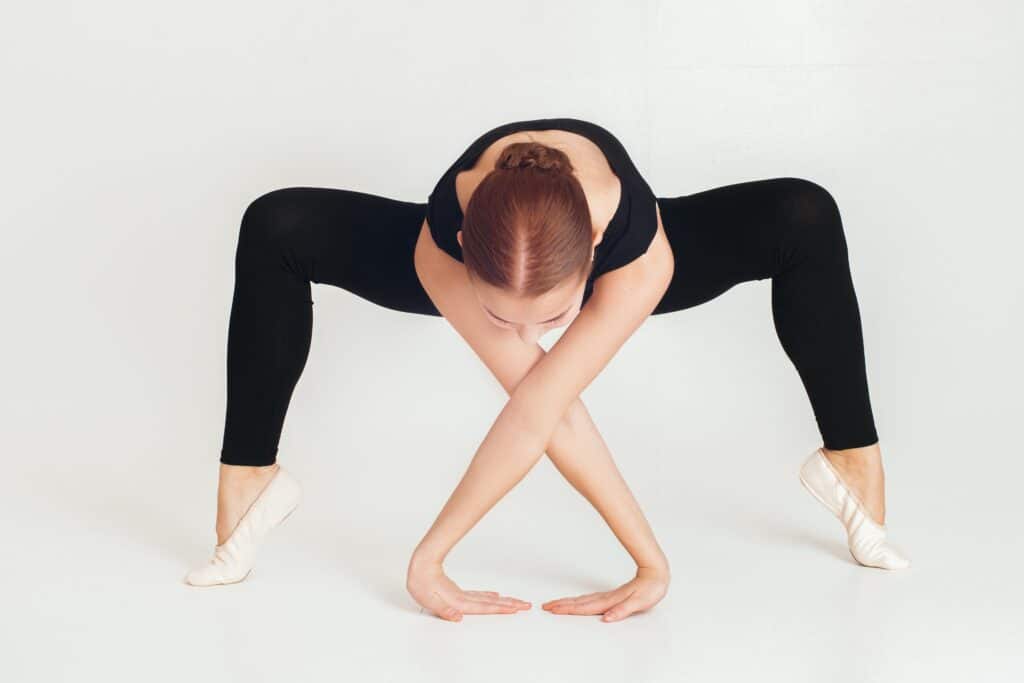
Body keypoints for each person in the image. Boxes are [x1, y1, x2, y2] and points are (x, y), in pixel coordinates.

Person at [184, 117, 911, 622]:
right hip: (488, 258)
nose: (530, 339)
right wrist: (430, 559)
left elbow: (547, 400)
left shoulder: (635, 251)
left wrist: (649, 562)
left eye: (550, 320)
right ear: (465, 244)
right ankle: (250, 477)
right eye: (506, 322)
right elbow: (539, 404)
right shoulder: (444, 246)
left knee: (804, 212)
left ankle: (851, 459)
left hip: (623, 255)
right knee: (275, 223)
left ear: (595, 248)